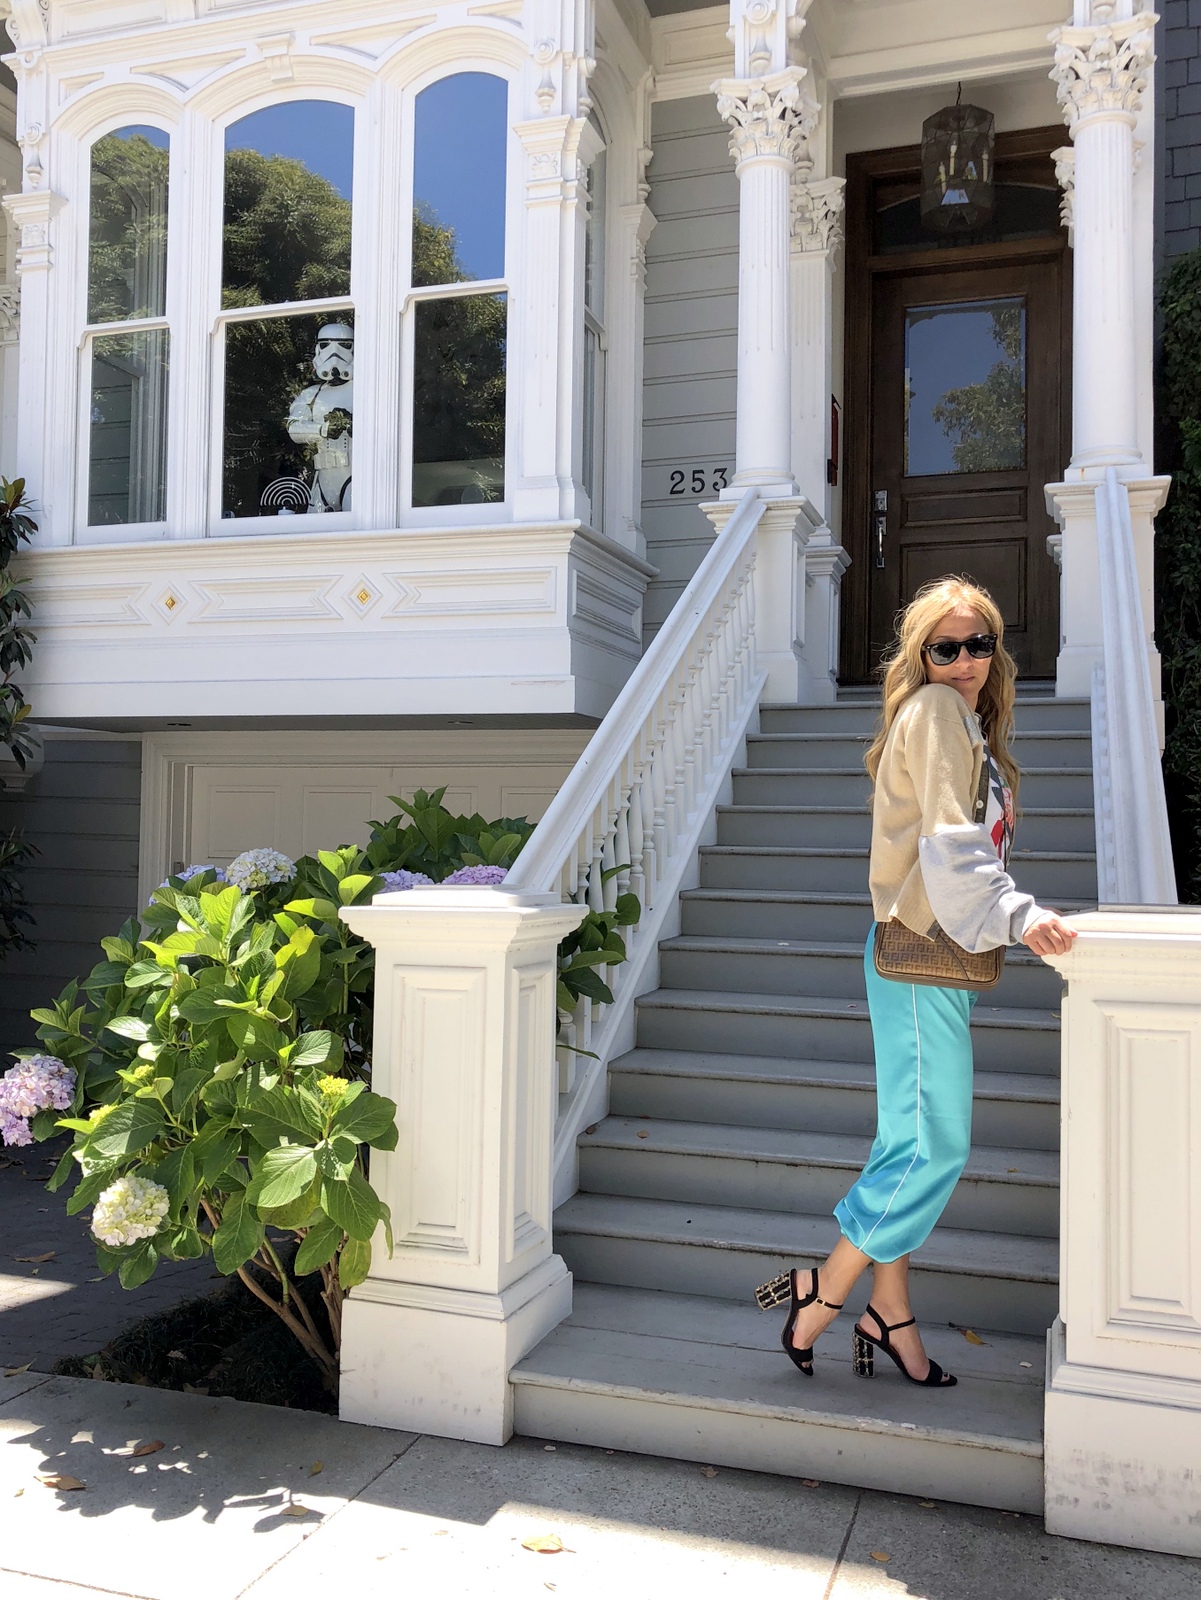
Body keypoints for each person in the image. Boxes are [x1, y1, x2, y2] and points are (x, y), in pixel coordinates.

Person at [756, 577, 1076, 1387]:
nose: (964, 661)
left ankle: (889, 1310)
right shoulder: (935, 711)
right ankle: (824, 1288)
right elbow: (948, 840)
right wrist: (1019, 915)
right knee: (936, 1145)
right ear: (920, 656)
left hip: (929, 955)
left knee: (906, 1141)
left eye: (979, 645)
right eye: (945, 647)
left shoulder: (962, 721)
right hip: (916, 953)